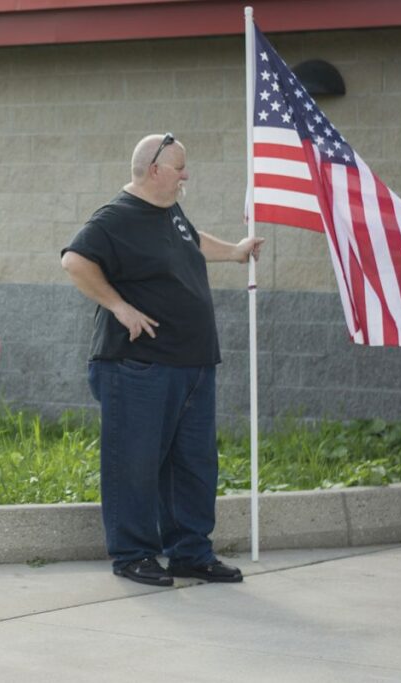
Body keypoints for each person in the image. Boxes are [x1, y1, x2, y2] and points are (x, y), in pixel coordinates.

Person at [61, 133, 264, 588]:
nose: (186, 174)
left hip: (191, 364)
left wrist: (233, 252)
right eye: (180, 167)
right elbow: (75, 261)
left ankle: (191, 552)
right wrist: (119, 307)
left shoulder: (169, 211)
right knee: (133, 461)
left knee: (194, 463)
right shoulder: (116, 217)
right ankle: (133, 554)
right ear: (155, 170)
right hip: (138, 366)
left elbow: (190, 240)